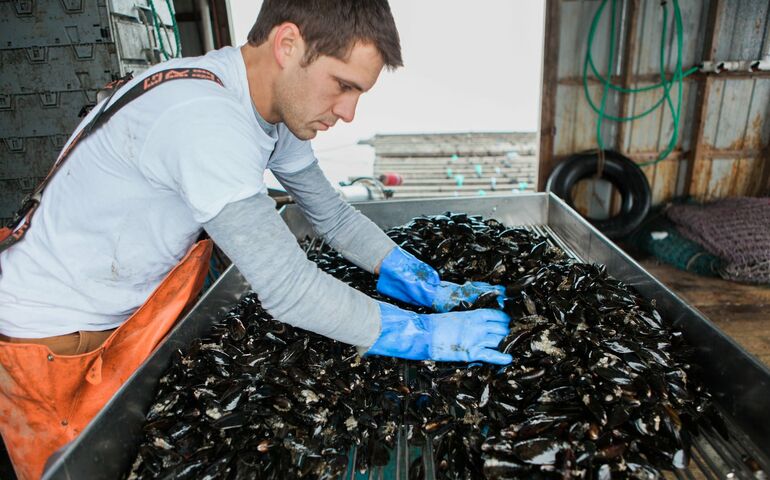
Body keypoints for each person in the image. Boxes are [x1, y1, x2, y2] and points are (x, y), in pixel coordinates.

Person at [0, 1, 512, 478]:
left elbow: (330, 215)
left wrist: (412, 275)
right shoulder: (204, 118)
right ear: (287, 44)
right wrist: (423, 336)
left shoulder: (269, 111)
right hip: (50, 350)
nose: (350, 113)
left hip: (124, 322)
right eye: (342, 85)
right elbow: (288, 289)